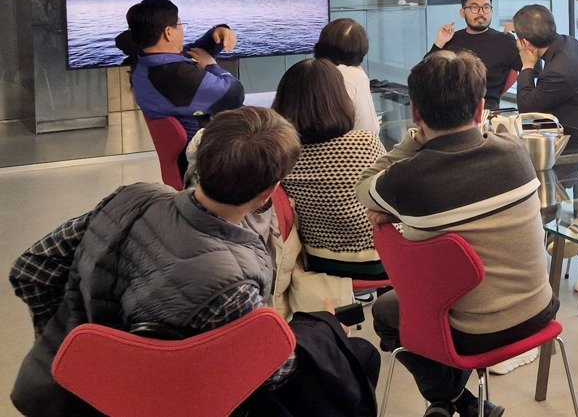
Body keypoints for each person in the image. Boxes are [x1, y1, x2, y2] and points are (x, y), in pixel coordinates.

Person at [10, 107, 381, 417]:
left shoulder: (130, 198)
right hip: (184, 401)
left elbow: (31, 269)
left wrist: (72, 339)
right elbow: (275, 371)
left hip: (75, 389)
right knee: (353, 355)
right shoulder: (234, 286)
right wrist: (327, 328)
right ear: (268, 192)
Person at [356, 50, 557, 417]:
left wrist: (413, 141)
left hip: (472, 332)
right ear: (480, 109)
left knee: (386, 310)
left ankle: (449, 400)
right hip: (540, 310)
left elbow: (364, 186)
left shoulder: (407, 179)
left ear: (416, 111)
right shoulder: (515, 151)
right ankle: (464, 403)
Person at [273, 58, 388, 282]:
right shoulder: (364, 142)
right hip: (376, 260)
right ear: (339, 99)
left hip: (318, 262)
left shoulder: (283, 155)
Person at [115, 0, 244, 141]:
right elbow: (235, 94)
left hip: (194, 146)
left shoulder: (144, 61)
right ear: (168, 33)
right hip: (207, 151)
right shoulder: (176, 75)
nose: (182, 29)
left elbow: (194, 51)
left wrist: (219, 31)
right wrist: (211, 65)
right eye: (180, 25)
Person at [512, 4, 578, 150]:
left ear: (525, 42)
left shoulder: (558, 71)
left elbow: (527, 111)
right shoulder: (569, 42)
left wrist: (527, 65)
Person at [428, 0, 520, 110]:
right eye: (474, 7)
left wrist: (522, 36)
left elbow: (533, 70)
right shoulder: (451, 39)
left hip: (487, 110)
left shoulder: (505, 41)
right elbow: (425, 72)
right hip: (450, 108)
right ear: (463, 13)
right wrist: (439, 42)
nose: (481, 12)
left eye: (486, 7)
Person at [315, 18, 381, 133]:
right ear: (361, 51)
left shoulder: (305, 72)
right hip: (349, 149)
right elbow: (369, 129)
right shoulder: (355, 76)